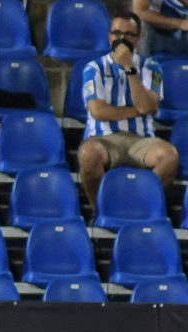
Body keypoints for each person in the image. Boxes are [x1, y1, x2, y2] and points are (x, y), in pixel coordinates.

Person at [78, 10, 179, 210]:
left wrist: (130, 69)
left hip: (141, 140)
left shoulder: (153, 67)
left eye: (128, 35)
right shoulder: (93, 68)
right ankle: (100, 210)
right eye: (116, 33)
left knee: (169, 156)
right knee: (88, 154)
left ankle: (139, 206)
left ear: (139, 38)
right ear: (109, 36)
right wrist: (138, 110)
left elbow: (147, 106)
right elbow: (98, 111)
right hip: (103, 139)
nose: (121, 39)